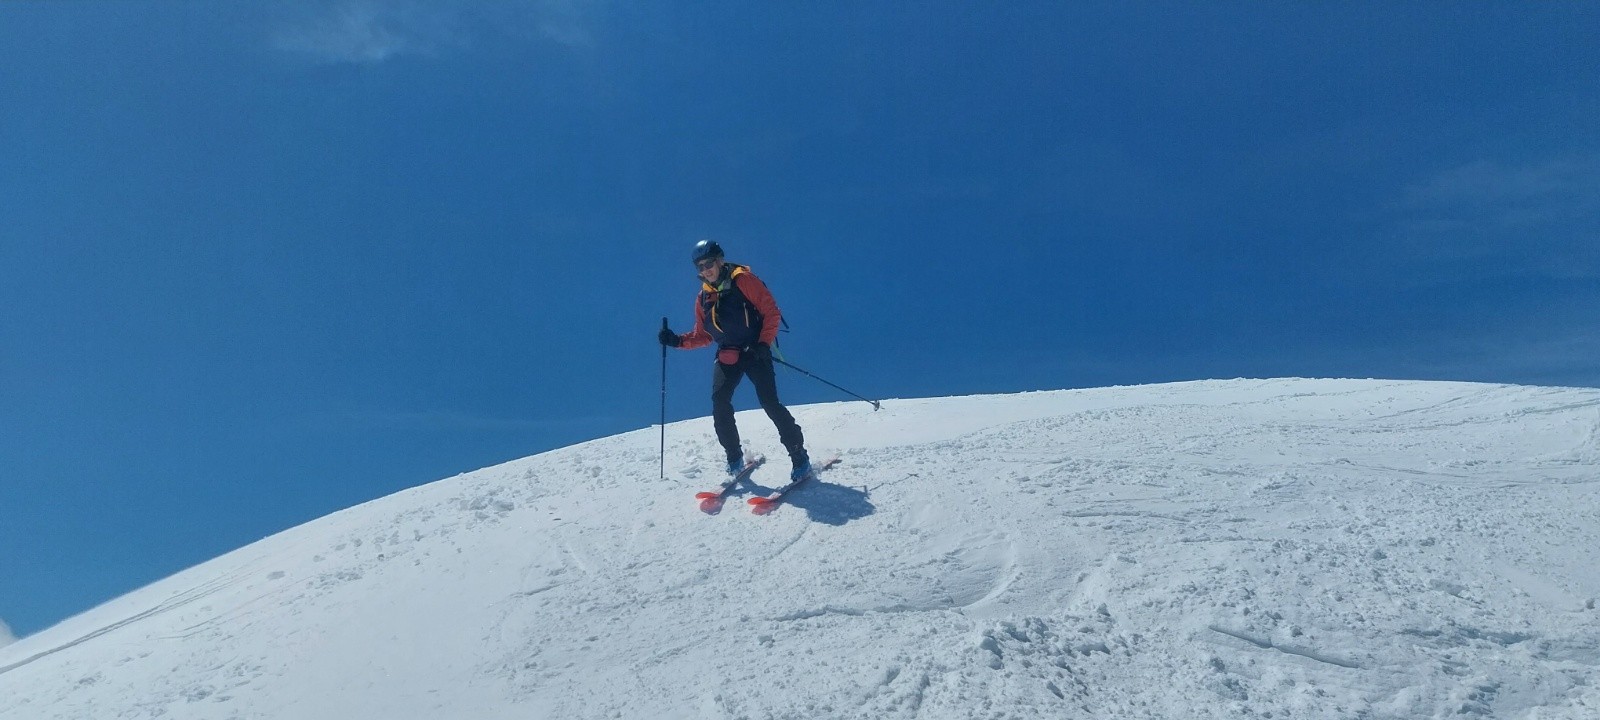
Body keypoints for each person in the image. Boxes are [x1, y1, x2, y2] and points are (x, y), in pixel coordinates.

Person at [659, 240, 812, 482]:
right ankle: (734, 458)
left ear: (720, 260)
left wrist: (763, 344)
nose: (705, 270)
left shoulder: (744, 281)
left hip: (754, 351)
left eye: (708, 263)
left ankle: (799, 456)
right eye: (700, 267)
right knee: (720, 401)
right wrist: (677, 340)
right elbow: (704, 335)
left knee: (770, 403)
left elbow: (771, 312)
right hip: (728, 355)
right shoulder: (703, 299)